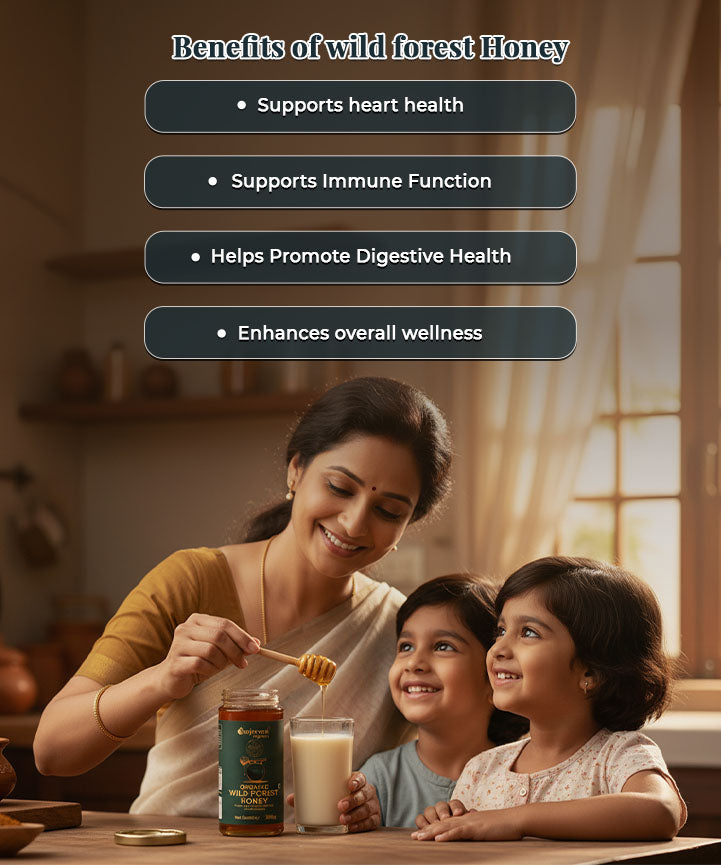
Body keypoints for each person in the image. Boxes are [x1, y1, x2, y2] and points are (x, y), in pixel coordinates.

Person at [33, 376, 452, 831]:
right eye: (339, 487)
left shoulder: (400, 631)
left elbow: (448, 766)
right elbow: (52, 751)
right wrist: (164, 680)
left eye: (389, 511)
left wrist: (373, 800)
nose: (353, 523)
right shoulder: (190, 581)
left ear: (407, 525)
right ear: (296, 470)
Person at [413, 556, 687, 842]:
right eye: (501, 631)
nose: (498, 649)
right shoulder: (481, 769)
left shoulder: (618, 755)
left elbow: (662, 810)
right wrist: (447, 823)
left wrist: (515, 819)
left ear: (592, 672)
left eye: (529, 633)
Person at [358, 574, 528, 827]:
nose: (414, 663)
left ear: (495, 675)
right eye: (406, 646)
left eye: (443, 647)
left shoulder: (524, 773)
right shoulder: (379, 778)